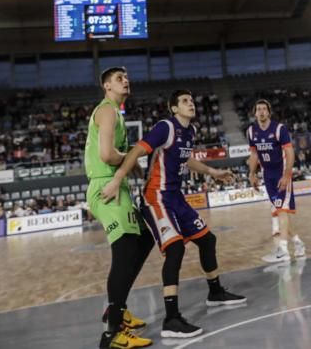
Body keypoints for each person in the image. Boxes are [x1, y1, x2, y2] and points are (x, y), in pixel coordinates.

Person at [101, 90, 247, 340]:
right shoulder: (165, 127)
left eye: (192, 100)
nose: (191, 104)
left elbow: (186, 160)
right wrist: (117, 179)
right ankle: (171, 319)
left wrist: (213, 172)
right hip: (156, 197)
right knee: (176, 248)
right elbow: (137, 151)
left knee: (208, 240)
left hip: (176, 197)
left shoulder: (189, 131)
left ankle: (215, 292)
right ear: (173, 108)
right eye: (185, 101)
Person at [84, 67, 155, 349]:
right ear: (106, 86)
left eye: (126, 77)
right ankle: (112, 333)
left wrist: (127, 165)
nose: (125, 81)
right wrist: (132, 157)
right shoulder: (108, 111)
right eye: (118, 79)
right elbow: (106, 155)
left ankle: (118, 309)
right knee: (125, 252)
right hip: (106, 185)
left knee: (146, 237)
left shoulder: (116, 112)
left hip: (115, 184)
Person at [246, 99, 306, 264]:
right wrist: (252, 174)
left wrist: (287, 175)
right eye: (258, 109)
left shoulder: (279, 129)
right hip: (267, 176)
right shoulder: (251, 132)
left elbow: (290, 152)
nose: (262, 112)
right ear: (255, 113)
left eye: (264, 109)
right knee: (281, 212)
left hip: (281, 174)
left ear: (269, 112)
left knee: (281, 210)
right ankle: (298, 243)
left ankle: (283, 250)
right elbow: (254, 155)